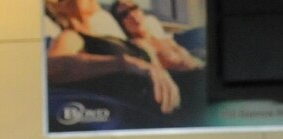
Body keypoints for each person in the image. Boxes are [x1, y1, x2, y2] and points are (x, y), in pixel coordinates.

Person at [46, 0, 183, 121]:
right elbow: (52, 67)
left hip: (174, 95)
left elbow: (160, 71)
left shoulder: (113, 39)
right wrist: (125, 63)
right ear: (64, 6)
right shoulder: (73, 36)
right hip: (147, 110)